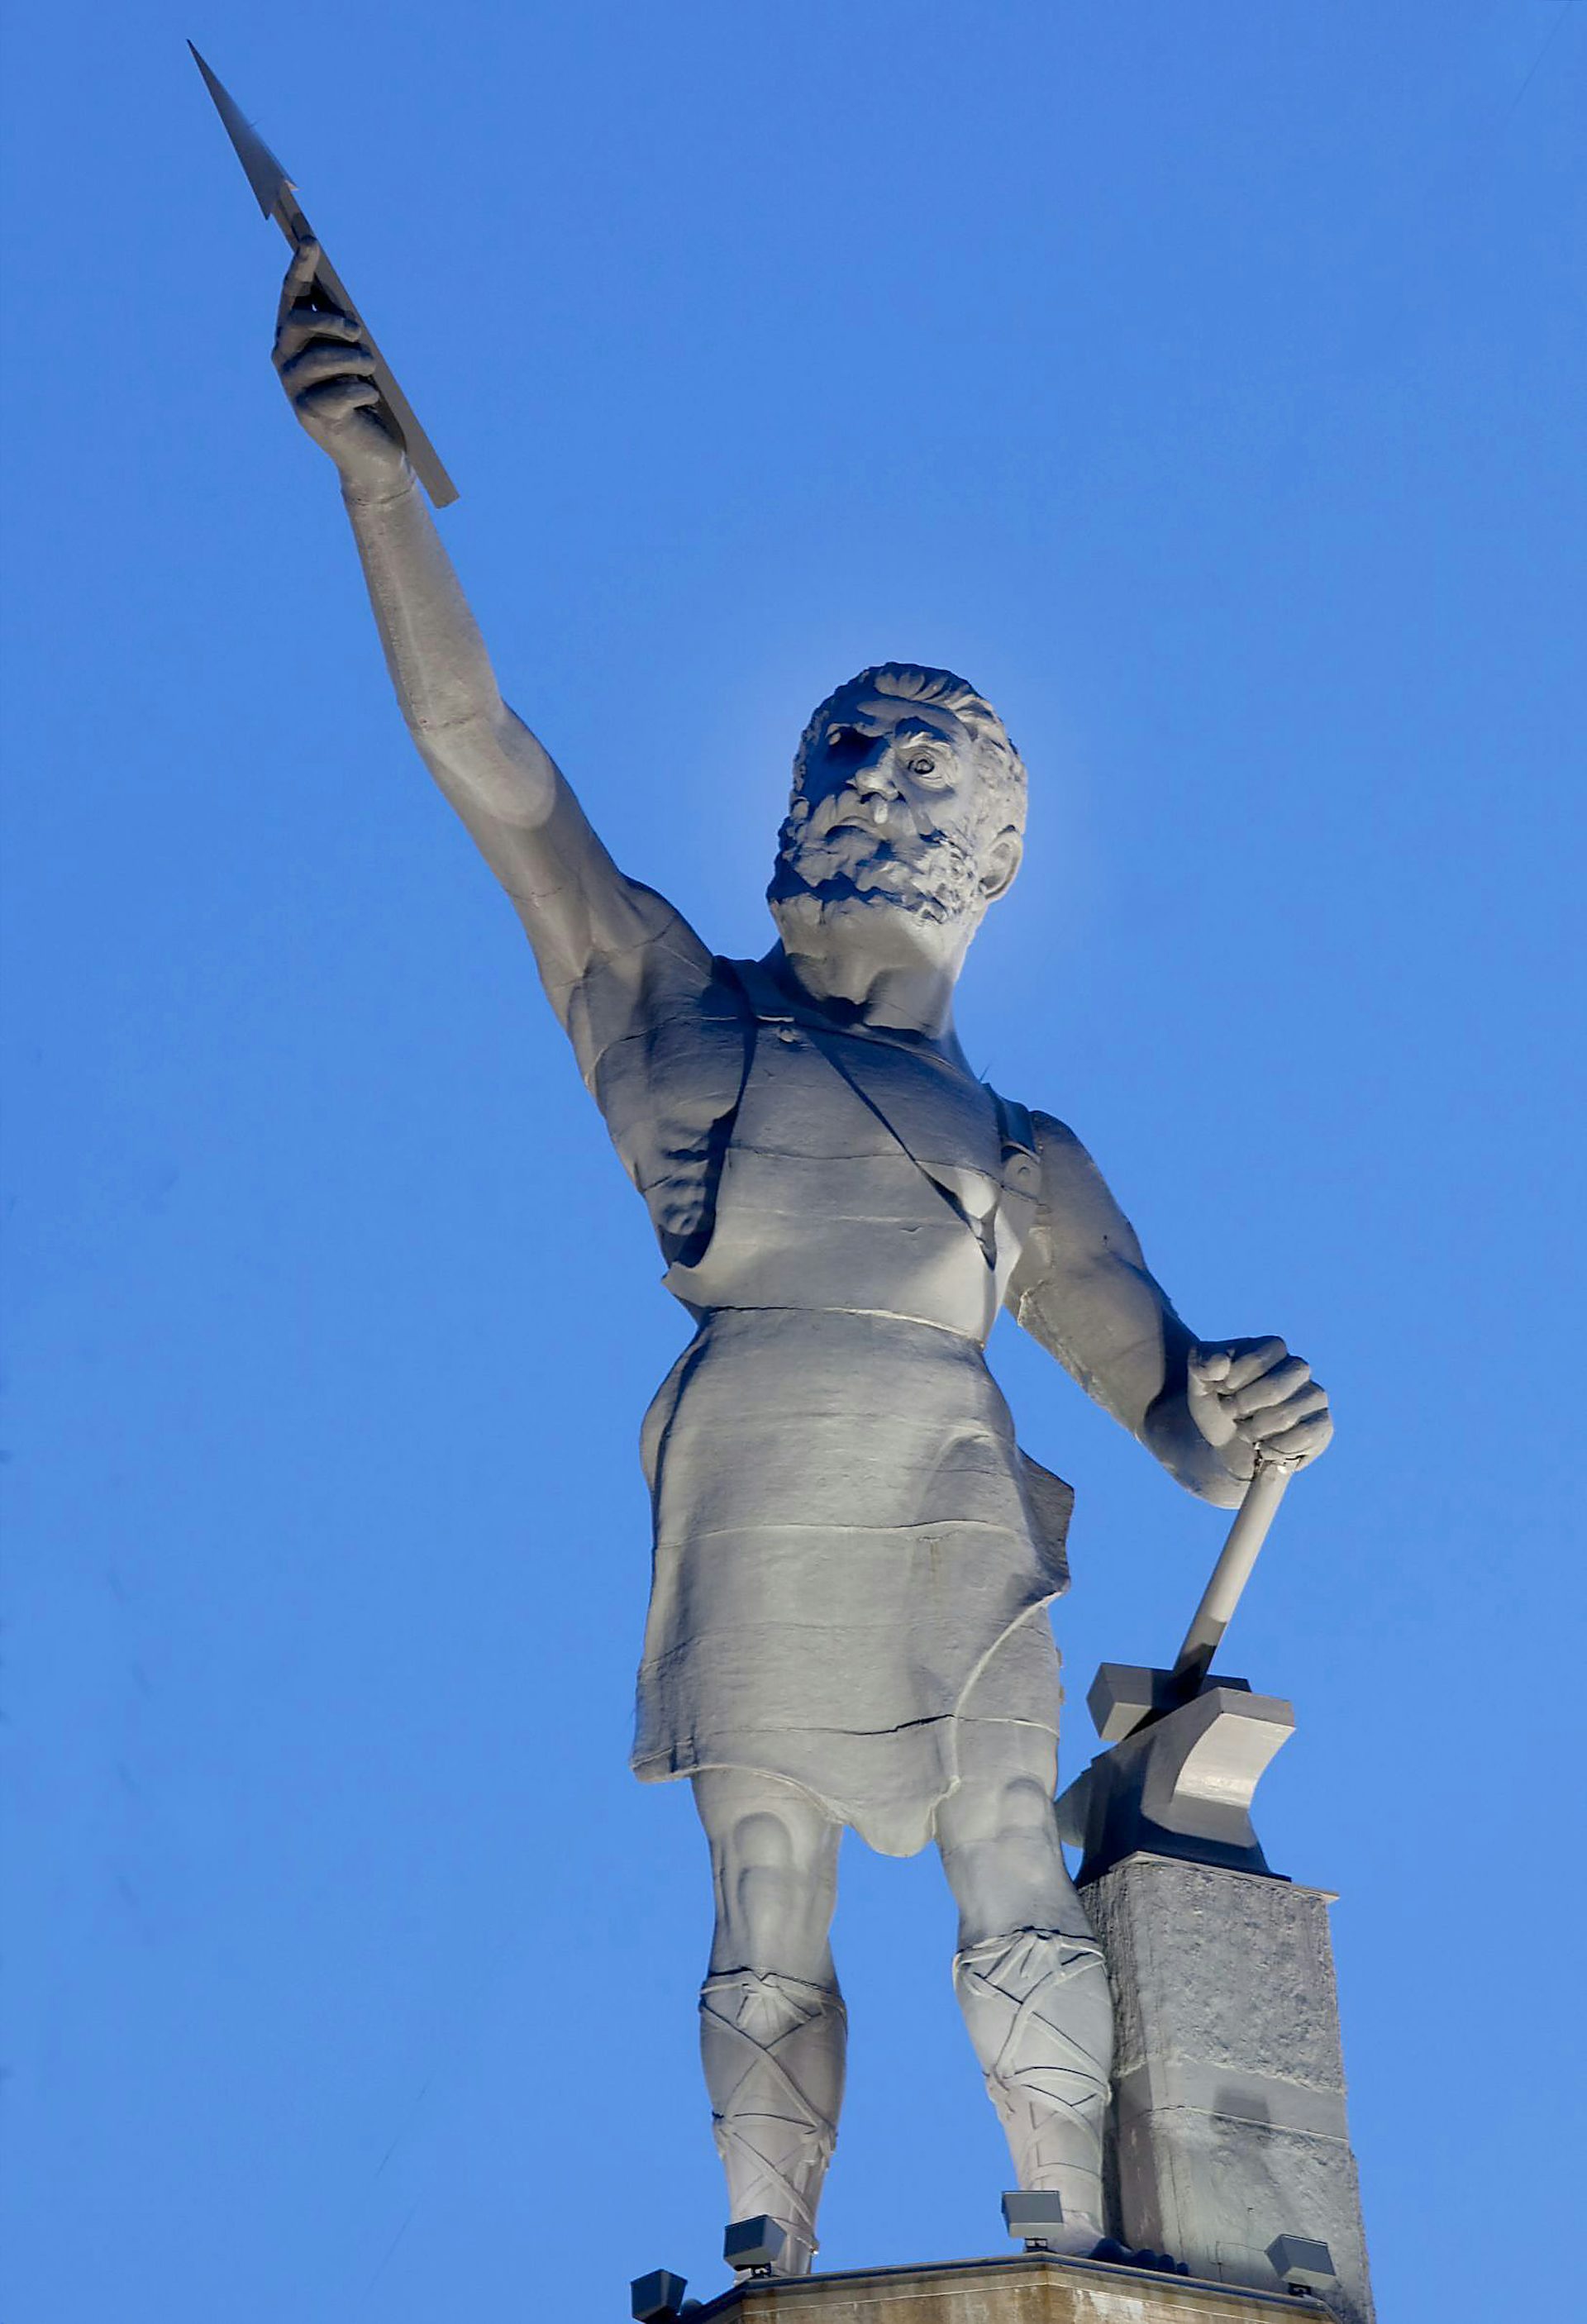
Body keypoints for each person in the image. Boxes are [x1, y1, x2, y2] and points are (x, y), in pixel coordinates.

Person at [270, 240, 1333, 2274]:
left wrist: (1245, 1399)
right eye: (854, 747)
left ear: (990, 853)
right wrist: (376, 484)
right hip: (758, 1437)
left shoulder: (1027, 1151)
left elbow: (1180, 1412)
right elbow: (485, 752)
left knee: (1013, 1846)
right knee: (762, 1873)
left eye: (930, 765)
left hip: (945, 1474)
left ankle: (1066, 2227)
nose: (880, 780)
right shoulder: (677, 1010)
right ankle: (770, 2235)